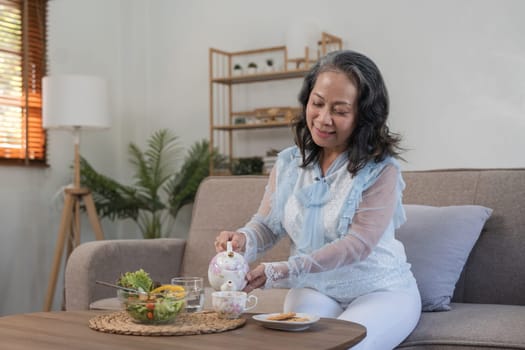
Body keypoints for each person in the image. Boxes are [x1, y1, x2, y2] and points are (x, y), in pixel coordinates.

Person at [214, 50, 421, 349]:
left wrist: (284, 269)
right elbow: (268, 225)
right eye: (317, 103)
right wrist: (242, 240)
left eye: (339, 110)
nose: (323, 119)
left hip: (381, 290)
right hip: (314, 289)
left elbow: (358, 245)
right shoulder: (288, 163)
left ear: (363, 115)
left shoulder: (381, 170)